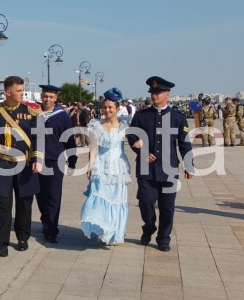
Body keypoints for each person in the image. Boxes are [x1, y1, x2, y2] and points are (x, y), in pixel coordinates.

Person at [126, 76, 194, 252]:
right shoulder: (141, 116)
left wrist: (189, 165)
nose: (154, 96)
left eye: (158, 92)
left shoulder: (178, 118)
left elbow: (184, 143)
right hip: (146, 169)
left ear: (167, 95)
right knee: (145, 203)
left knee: (167, 208)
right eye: (153, 93)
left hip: (169, 169)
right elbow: (131, 135)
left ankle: (164, 237)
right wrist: (141, 150)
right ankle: (149, 227)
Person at [0, 75, 44, 257]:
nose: (22, 93)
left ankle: (23, 237)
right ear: (8, 92)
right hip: (2, 163)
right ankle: (1, 244)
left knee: (24, 203)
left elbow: (38, 137)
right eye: (18, 91)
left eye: (22, 90)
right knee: (3, 204)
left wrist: (37, 159)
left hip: (25, 163)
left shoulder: (31, 111)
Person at [79, 88, 131, 245]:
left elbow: (137, 141)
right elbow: (93, 148)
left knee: (117, 198)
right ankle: (103, 227)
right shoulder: (95, 125)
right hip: (101, 164)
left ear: (117, 108)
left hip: (118, 165)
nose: (107, 110)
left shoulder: (125, 125)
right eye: (104, 107)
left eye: (110, 107)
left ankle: (114, 232)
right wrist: (90, 165)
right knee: (98, 195)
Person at [34, 84, 77, 243]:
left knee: (53, 196)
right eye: (45, 96)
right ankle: (46, 220)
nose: (48, 99)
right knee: (39, 194)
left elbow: (70, 140)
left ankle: (52, 229)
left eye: (51, 97)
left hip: (55, 161)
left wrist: (72, 161)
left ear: (56, 99)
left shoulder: (63, 117)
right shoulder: (35, 114)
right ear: (41, 96)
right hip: (36, 161)